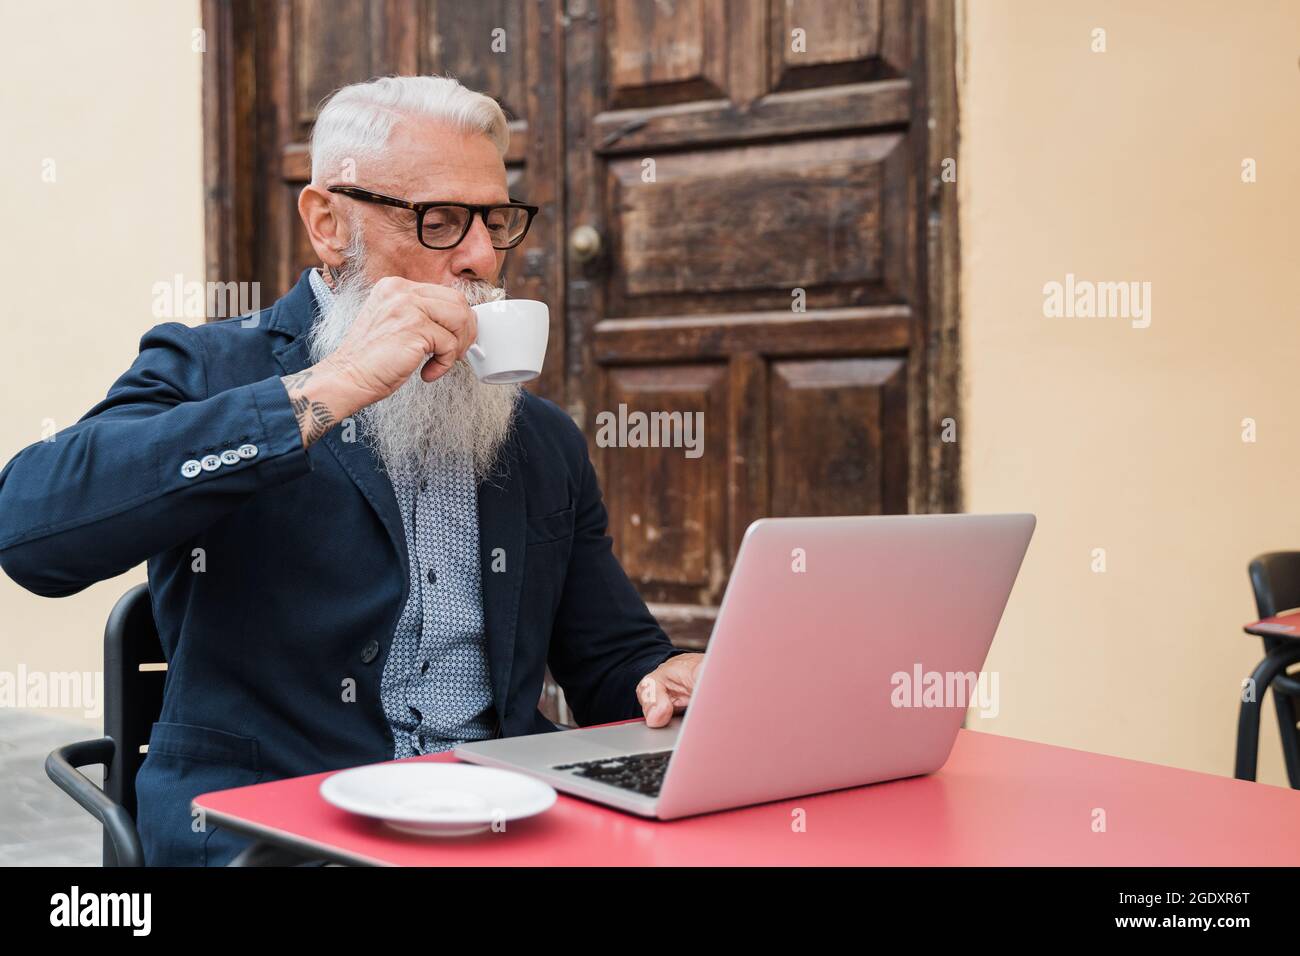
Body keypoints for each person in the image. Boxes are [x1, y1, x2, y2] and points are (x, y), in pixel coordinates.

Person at [0, 74, 703, 866]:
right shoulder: (211, 369)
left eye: (496, 221)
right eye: (439, 222)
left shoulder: (538, 438)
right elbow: (31, 531)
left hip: (507, 822)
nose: (480, 256)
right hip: (277, 831)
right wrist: (329, 389)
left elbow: (612, 660)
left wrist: (670, 675)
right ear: (329, 225)